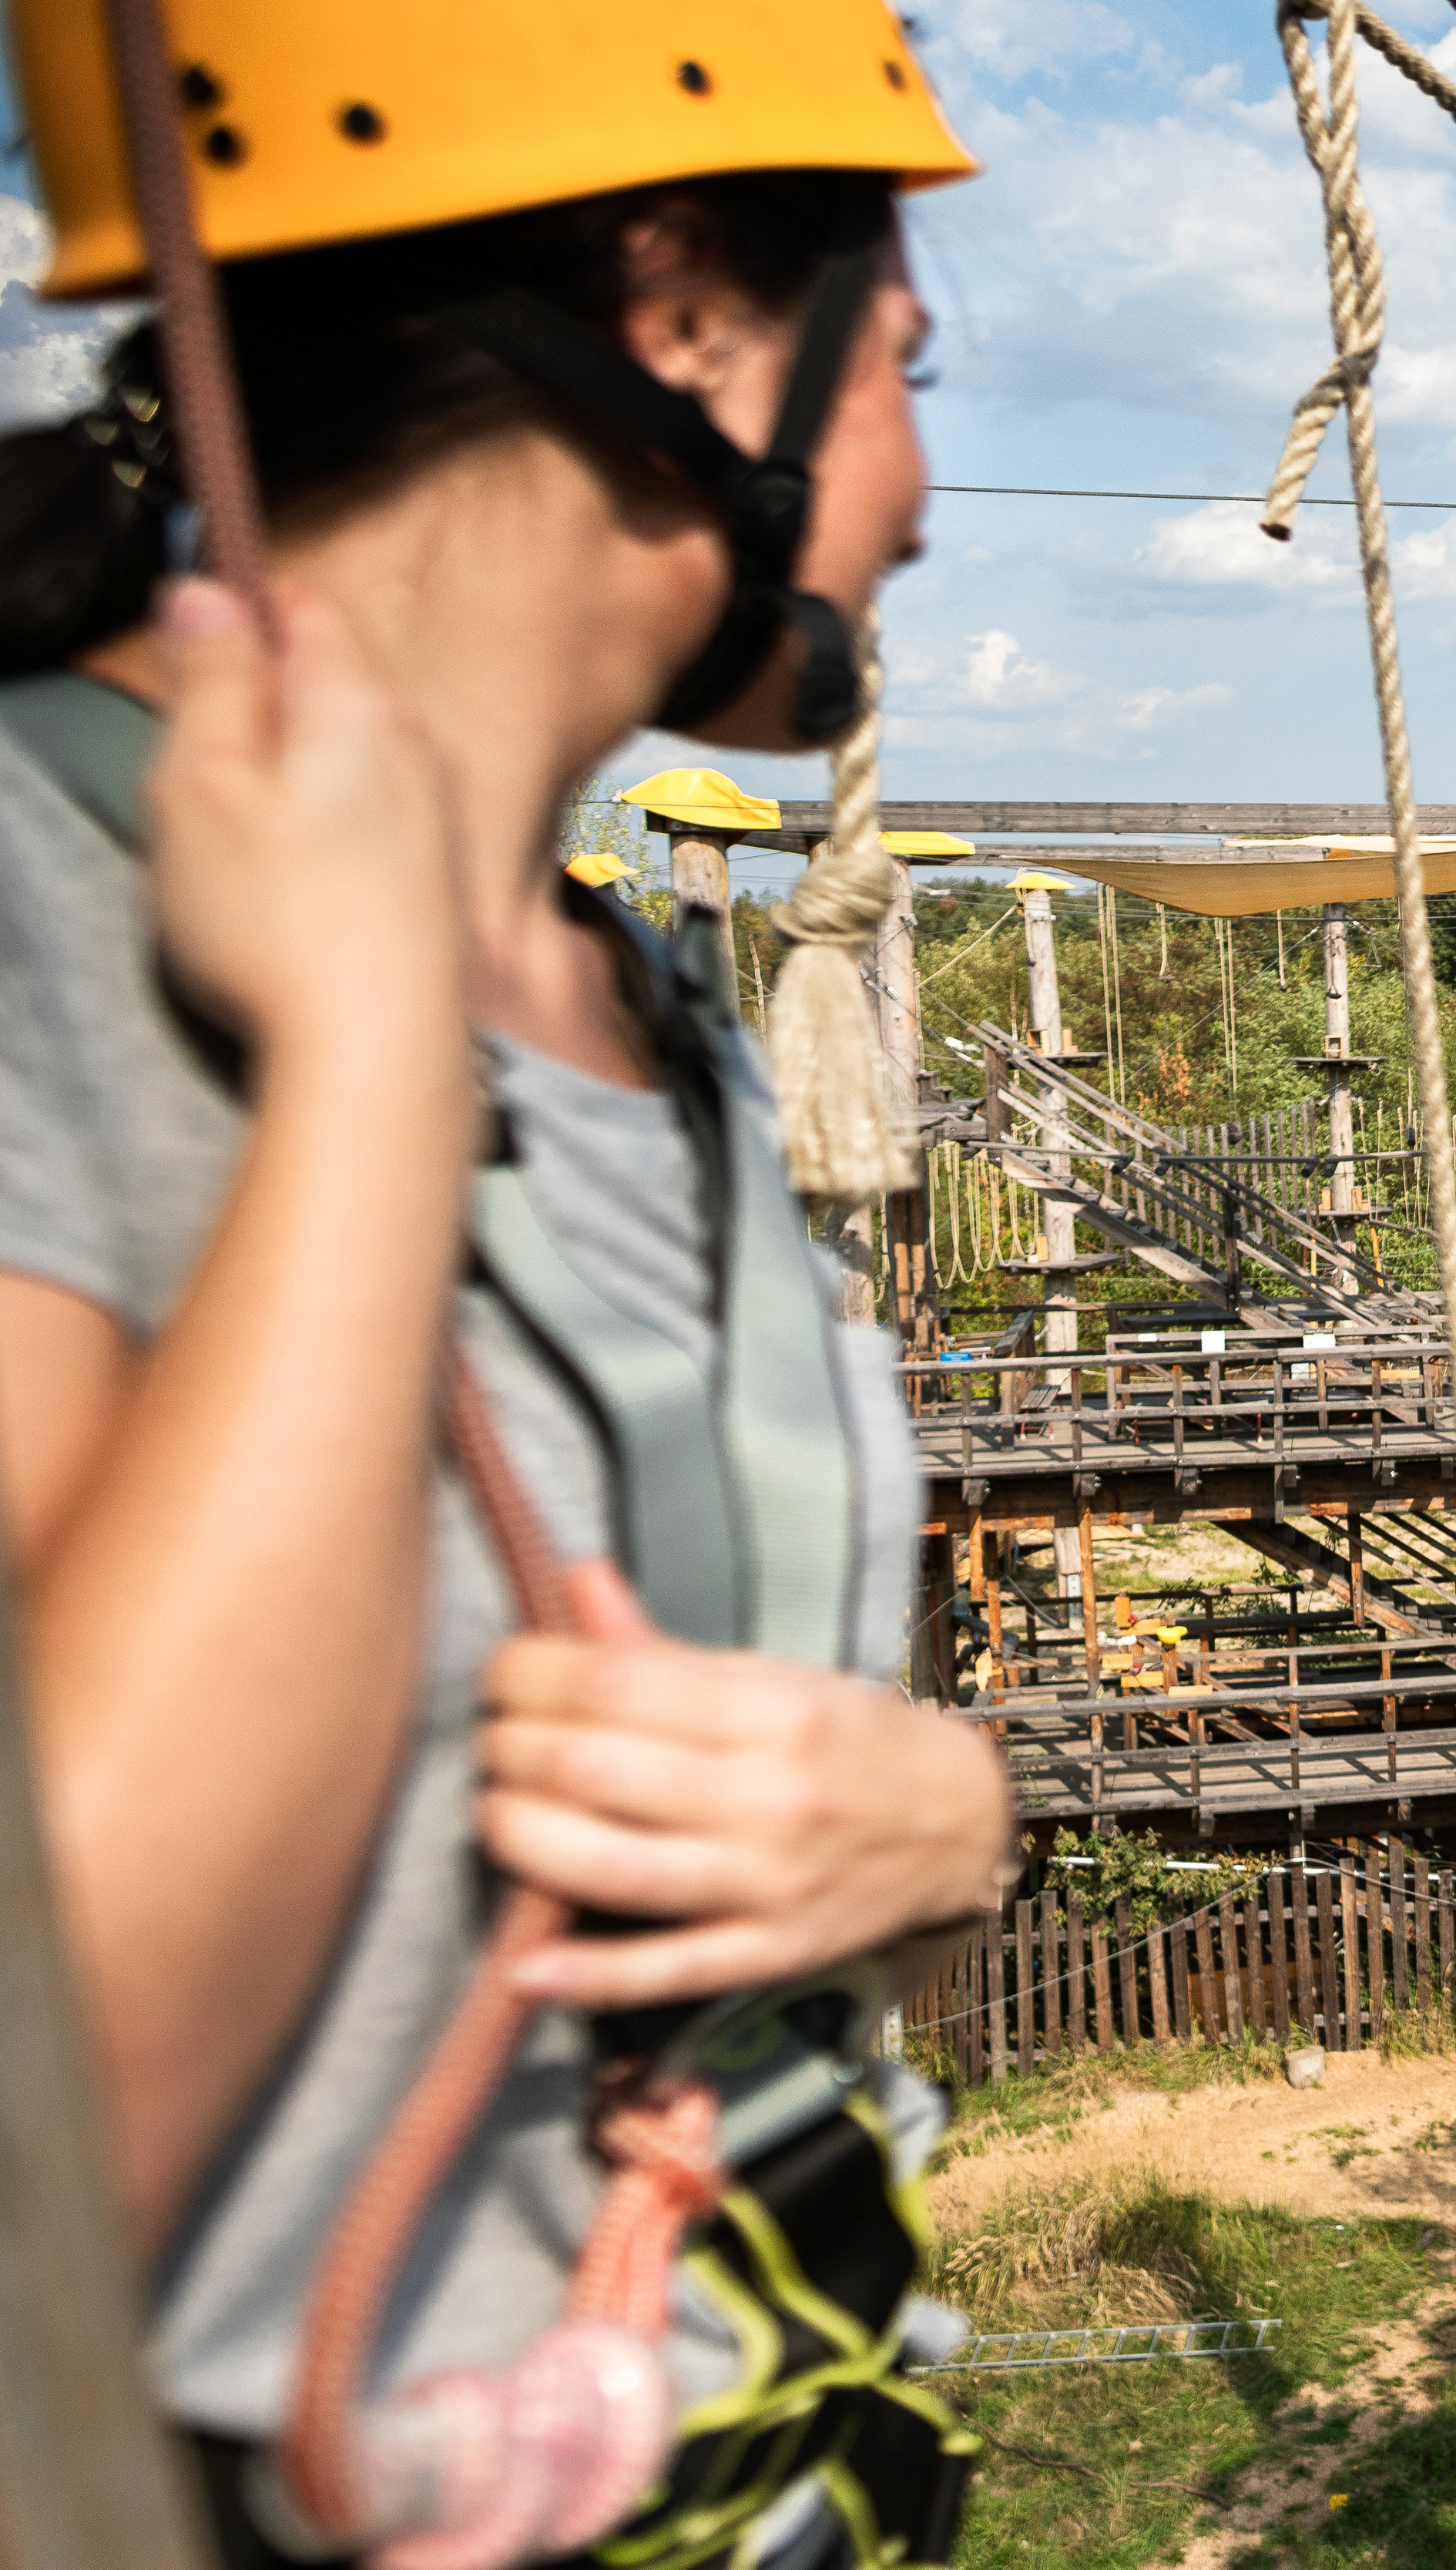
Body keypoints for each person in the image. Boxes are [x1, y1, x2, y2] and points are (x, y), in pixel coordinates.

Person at [0, 4, 1011, 2562]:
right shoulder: (40, 923)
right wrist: (355, 1068)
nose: (919, 493)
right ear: (681, 314)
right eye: (905, 361)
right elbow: (50, 2101)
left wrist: (941, 1823)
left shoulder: (636, 982)